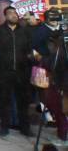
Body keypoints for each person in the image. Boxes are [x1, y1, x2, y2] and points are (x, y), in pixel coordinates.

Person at [0, 5, 33, 137]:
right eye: (11, 13)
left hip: (22, 71)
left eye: (15, 13)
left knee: (23, 102)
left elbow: (30, 48)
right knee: (4, 101)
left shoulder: (24, 31)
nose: (14, 15)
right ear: (5, 16)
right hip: (3, 72)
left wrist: (29, 59)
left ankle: (25, 128)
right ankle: (4, 127)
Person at [34, 8, 67, 146]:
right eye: (52, 18)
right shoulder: (40, 31)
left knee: (63, 105)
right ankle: (63, 133)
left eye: (57, 18)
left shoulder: (64, 30)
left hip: (64, 72)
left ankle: (64, 133)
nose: (54, 21)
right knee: (54, 103)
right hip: (49, 71)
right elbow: (36, 52)